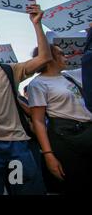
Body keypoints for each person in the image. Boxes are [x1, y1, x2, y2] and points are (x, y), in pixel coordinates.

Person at [0, 4, 51, 195]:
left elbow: (44, 57)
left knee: (22, 189)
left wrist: (37, 23)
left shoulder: (11, 70)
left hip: (16, 145)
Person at [27, 44, 92, 194]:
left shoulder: (71, 75)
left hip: (87, 134)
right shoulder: (38, 84)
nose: (66, 56)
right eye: (61, 53)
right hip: (66, 139)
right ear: (49, 58)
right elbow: (38, 121)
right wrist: (48, 154)